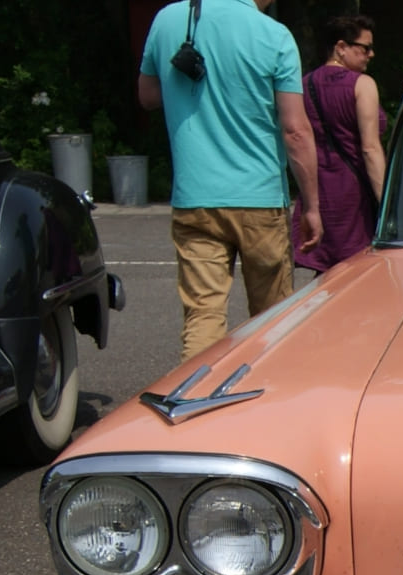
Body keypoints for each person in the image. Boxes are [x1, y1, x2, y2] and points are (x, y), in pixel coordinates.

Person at [138, 0, 322, 361]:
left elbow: (147, 96)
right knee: (273, 320)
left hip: (195, 197)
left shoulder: (167, 20)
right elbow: (295, 130)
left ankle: (197, 404)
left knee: (202, 316)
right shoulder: (273, 34)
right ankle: (270, 402)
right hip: (261, 198)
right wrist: (312, 205)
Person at [293, 15, 387, 272]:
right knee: (360, 272)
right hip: (354, 196)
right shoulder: (362, 85)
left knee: (326, 278)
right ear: (341, 47)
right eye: (365, 48)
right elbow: (370, 148)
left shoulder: (303, 84)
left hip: (318, 193)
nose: (371, 54)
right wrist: (387, 202)